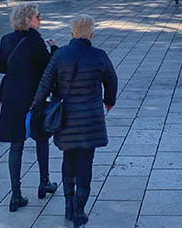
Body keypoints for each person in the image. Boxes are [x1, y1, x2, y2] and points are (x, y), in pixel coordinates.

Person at [32, 15, 118, 227]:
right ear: (91, 34)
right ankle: (80, 209)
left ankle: (69, 205)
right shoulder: (100, 56)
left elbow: (45, 83)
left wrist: (36, 108)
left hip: (66, 118)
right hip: (90, 120)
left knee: (68, 159)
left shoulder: (60, 55)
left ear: (71, 34)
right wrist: (109, 101)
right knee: (85, 164)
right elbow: (112, 80)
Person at [0, 3, 59, 211]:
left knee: (16, 145)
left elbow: (1, 67)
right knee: (41, 139)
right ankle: (44, 182)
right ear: (28, 19)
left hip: (12, 97)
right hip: (33, 97)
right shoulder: (35, 41)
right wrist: (54, 48)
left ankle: (16, 193)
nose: (40, 19)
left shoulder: (6, 39)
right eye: (38, 16)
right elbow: (48, 68)